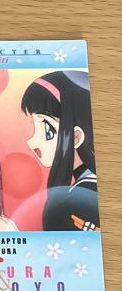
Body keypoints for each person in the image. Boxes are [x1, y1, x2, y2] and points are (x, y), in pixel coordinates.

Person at [21, 70, 98, 231]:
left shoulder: (81, 197)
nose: (31, 142)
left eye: (47, 130)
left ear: (76, 137)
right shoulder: (86, 186)